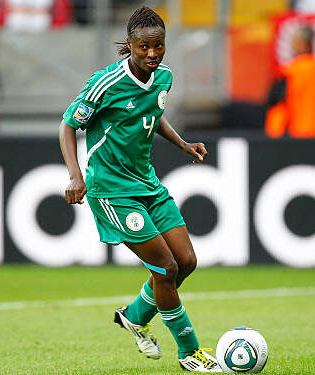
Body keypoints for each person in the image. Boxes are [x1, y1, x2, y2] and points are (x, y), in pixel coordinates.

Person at [58, 6, 221, 373]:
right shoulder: (106, 83)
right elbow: (68, 126)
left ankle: (134, 315)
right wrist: (74, 176)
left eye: (159, 46)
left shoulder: (163, 77)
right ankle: (190, 352)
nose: (152, 54)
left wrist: (182, 144)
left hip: (147, 182)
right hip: (112, 190)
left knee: (186, 263)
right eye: (144, 47)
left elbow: (151, 113)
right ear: (129, 44)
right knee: (165, 268)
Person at [265, 24, 315, 138]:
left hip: (293, 131)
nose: (292, 44)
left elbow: (274, 98)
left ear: (304, 44)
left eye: (295, 40)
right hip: (314, 130)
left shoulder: (292, 70)